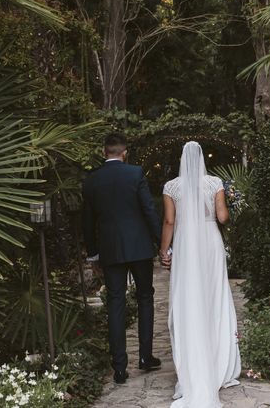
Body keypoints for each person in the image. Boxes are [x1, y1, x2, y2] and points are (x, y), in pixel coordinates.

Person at [159, 141, 241, 408]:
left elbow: (170, 221)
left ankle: (193, 363)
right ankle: (219, 361)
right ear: (202, 159)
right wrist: (229, 205)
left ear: (182, 160)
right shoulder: (214, 183)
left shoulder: (172, 187)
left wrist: (163, 251)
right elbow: (222, 217)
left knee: (188, 298)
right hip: (209, 242)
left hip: (185, 243)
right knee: (214, 296)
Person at [81, 133, 163, 384]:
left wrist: (93, 252)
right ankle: (145, 357)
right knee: (145, 297)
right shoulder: (135, 173)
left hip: (111, 249)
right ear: (124, 152)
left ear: (104, 152)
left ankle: (119, 368)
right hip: (139, 246)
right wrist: (162, 243)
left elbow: (87, 221)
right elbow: (148, 209)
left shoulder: (92, 180)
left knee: (115, 302)